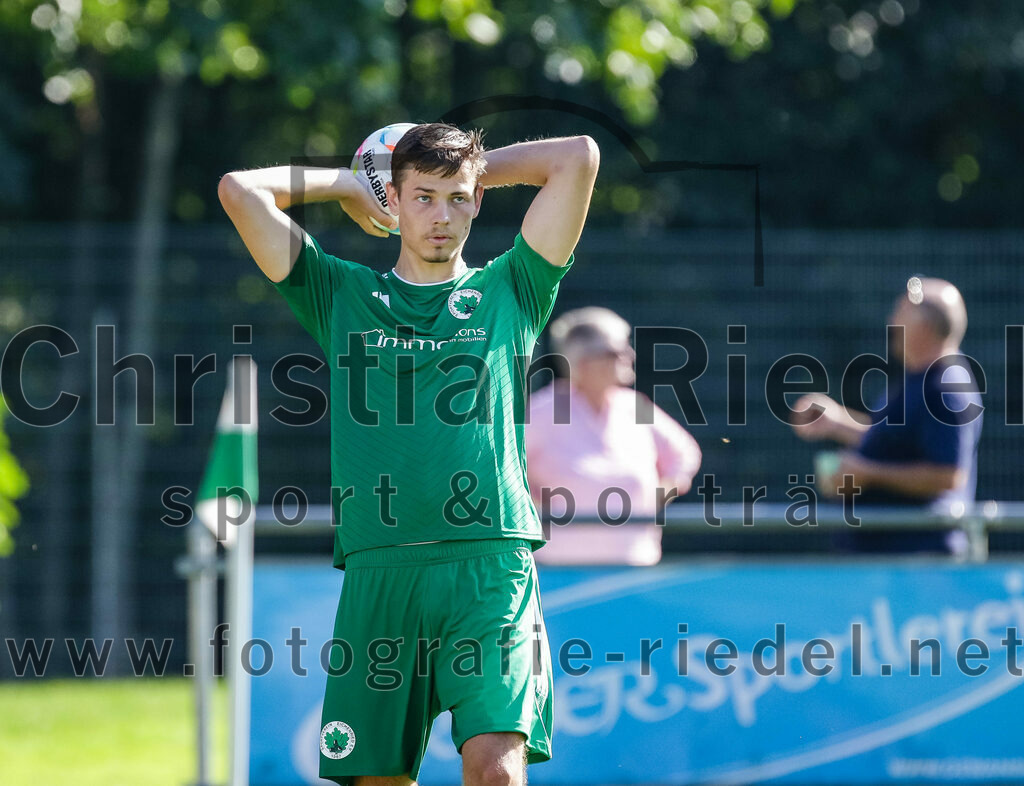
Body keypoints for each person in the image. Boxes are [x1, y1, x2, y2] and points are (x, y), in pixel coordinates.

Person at [218, 124, 599, 785]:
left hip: (488, 567)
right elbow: (238, 190)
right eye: (422, 197)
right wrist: (352, 182)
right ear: (393, 200)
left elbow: (577, 158)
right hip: (381, 571)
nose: (441, 216)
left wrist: (474, 167)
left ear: (478, 201)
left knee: (497, 771)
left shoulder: (514, 288)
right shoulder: (342, 294)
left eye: (458, 197)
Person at [790, 277, 983, 553]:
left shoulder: (947, 386)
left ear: (923, 325)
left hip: (921, 561)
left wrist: (868, 473)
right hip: (894, 558)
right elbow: (894, 442)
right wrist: (836, 422)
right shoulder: (921, 378)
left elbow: (948, 475)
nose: (892, 323)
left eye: (901, 312)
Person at [525, 307, 702, 565]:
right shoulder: (543, 410)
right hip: (559, 572)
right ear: (584, 362)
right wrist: (530, 506)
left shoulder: (635, 405)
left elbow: (685, 453)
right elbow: (499, 469)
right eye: (615, 351)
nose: (629, 355)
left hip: (634, 566)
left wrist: (662, 491)